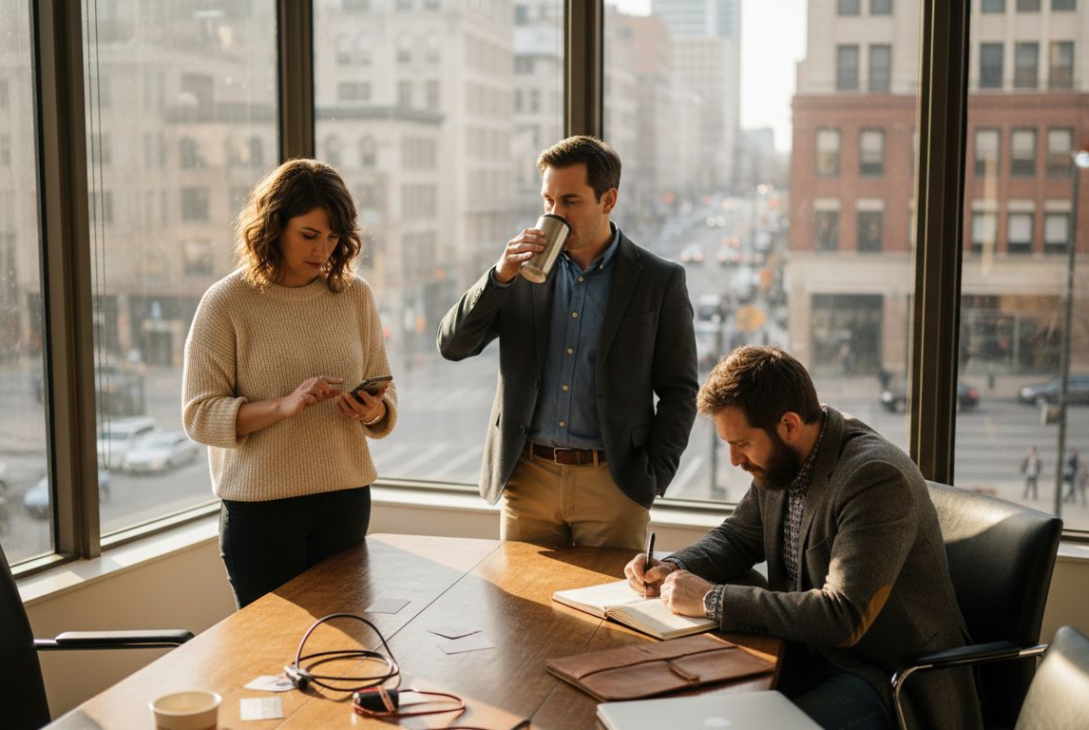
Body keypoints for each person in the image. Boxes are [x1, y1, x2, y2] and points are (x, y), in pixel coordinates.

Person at [624, 346, 982, 730]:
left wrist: (712, 599)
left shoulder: (873, 477)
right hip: (804, 653)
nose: (734, 460)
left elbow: (842, 617)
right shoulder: (784, 458)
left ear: (789, 425)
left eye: (741, 444)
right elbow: (738, 537)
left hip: (885, 676)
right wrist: (674, 566)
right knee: (682, 706)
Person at [437, 135, 698, 550]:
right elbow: (452, 345)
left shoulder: (657, 280)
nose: (554, 213)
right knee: (521, 612)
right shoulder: (518, 273)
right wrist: (498, 277)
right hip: (527, 480)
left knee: (606, 611)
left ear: (607, 200)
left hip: (611, 484)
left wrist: (653, 475)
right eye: (548, 201)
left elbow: (680, 390)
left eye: (570, 201)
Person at [183, 159, 396, 609]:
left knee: (348, 647)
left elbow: (386, 393)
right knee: (272, 658)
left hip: (345, 500)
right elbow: (199, 416)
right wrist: (284, 405)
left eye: (334, 237)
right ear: (273, 226)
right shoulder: (226, 303)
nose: (323, 250)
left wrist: (372, 410)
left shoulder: (355, 296)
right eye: (309, 235)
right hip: (262, 514)